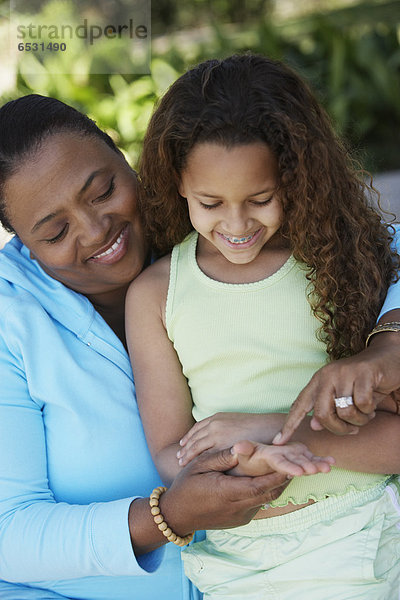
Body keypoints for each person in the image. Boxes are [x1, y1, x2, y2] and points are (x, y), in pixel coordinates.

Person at [0, 94, 295, 600]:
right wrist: (166, 516)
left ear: (123, 156)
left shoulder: (212, 216)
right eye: (55, 232)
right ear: (24, 241)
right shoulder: (11, 323)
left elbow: (379, 245)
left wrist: (389, 335)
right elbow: (9, 535)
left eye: (103, 191)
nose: (96, 230)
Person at [126, 54, 400, 598]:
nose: (235, 224)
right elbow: (168, 452)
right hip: (238, 564)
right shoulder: (156, 295)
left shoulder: (338, 262)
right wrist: (243, 458)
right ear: (177, 181)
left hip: (363, 538)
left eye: (260, 199)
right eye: (211, 202)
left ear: (295, 178)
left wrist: (268, 429)